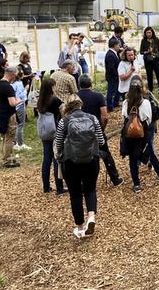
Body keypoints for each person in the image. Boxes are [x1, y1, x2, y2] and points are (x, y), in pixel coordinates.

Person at [54, 98, 105, 239]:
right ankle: (91, 216)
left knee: (75, 194)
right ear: (81, 105)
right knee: (90, 189)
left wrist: (60, 156)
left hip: (71, 162)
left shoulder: (64, 122)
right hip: (91, 160)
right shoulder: (92, 118)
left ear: (67, 107)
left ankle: (80, 227)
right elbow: (101, 141)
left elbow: (58, 143)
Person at [120, 79, 159, 194]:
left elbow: (124, 117)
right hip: (143, 134)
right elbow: (148, 119)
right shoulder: (145, 103)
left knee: (132, 159)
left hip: (129, 135)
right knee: (151, 155)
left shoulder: (125, 103)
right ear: (140, 89)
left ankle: (137, 184)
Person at [77, 74, 123, 186]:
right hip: (95, 130)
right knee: (106, 154)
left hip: (79, 131)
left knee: (81, 156)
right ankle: (115, 178)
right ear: (91, 83)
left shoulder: (75, 97)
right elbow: (105, 116)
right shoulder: (98, 96)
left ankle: (83, 181)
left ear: (79, 85)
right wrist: (101, 128)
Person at [36, 79, 66, 194]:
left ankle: (46, 187)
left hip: (44, 131)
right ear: (51, 87)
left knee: (46, 159)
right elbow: (63, 113)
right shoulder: (55, 100)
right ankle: (59, 187)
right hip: (55, 130)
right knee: (57, 159)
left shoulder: (40, 101)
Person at [0, 66, 22, 168]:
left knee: (5, 137)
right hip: (8, 115)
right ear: (12, 75)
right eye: (15, 75)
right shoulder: (8, 87)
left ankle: (5, 157)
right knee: (10, 137)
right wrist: (19, 100)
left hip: (0, 113)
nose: (15, 78)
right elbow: (12, 103)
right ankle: (6, 160)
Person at [139, 26, 159, 94]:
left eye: (149, 32)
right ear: (145, 33)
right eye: (147, 33)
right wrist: (147, 52)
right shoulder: (143, 41)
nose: (148, 34)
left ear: (152, 32)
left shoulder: (156, 39)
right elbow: (141, 51)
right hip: (148, 61)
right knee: (149, 76)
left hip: (156, 60)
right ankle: (151, 91)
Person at [11, 68, 31, 151]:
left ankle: (15, 142)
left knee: (15, 125)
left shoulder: (12, 83)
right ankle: (20, 143)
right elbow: (21, 96)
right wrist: (26, 89)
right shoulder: (19, 84)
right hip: (19, 105)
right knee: (20, 125)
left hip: (13, 106)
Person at [104, 39, 121, 111]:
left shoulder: (114, 53)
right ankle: (110, 106)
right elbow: (111, 68)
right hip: (112, 76)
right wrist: (117, 75)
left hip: (114, 76)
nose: (119, 47)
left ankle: (115, 103)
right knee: (111, 91)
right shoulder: (110, 54)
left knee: (117, 90)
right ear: (114, 45)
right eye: (118, 45)